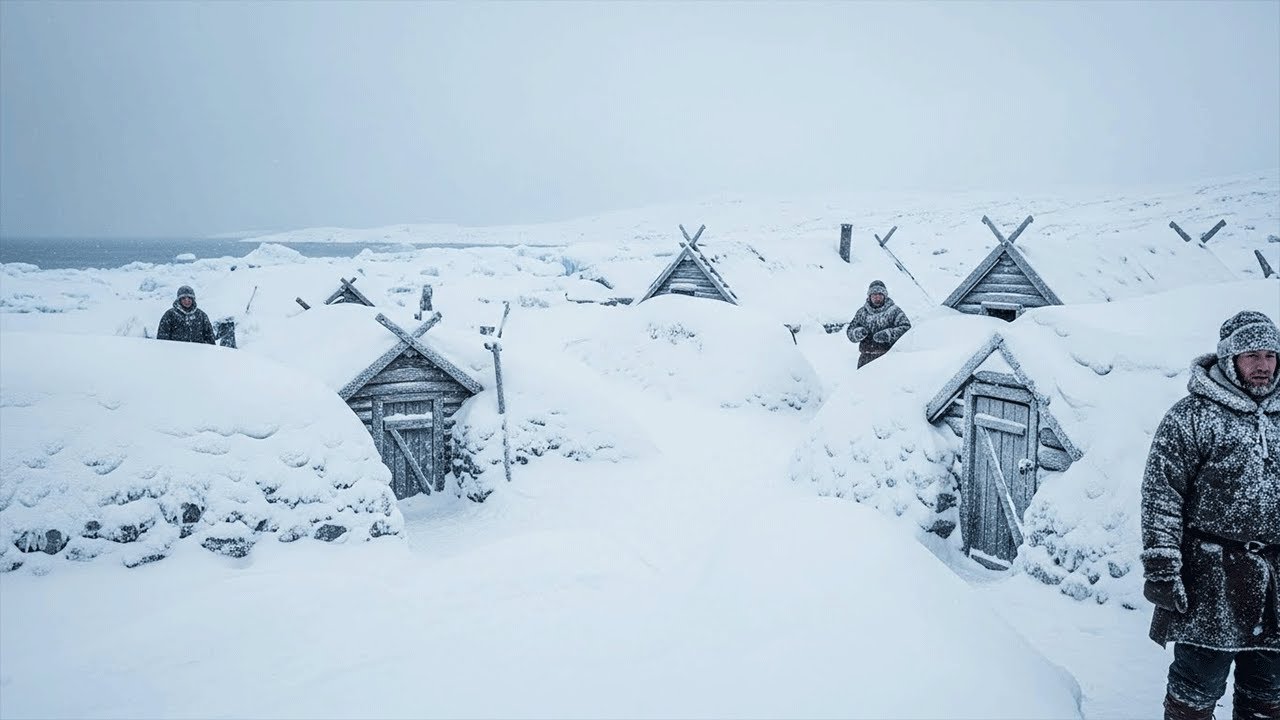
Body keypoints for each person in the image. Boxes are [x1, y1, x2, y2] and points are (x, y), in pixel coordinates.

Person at [1141, 310, 1280, 719]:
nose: (1263, 365)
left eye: (1271, 354)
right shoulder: (1192, 417)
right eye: (1252, 354)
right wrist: (1163, 568)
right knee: (1194, 693)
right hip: (1210, 577)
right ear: (1228, 359)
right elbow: (1161, 495)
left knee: (1268, 695)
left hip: (1276, 582)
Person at [845, 280, 911, 368]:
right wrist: (857, 333)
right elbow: (850, 331)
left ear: (884, 296)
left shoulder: (894, 311)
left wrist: (888, 335)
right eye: (874, 295)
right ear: (870, 296)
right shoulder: (862, 312)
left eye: (880, 294)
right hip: (865, 358)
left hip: (888, 358)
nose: (877, 297)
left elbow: (907, 328)